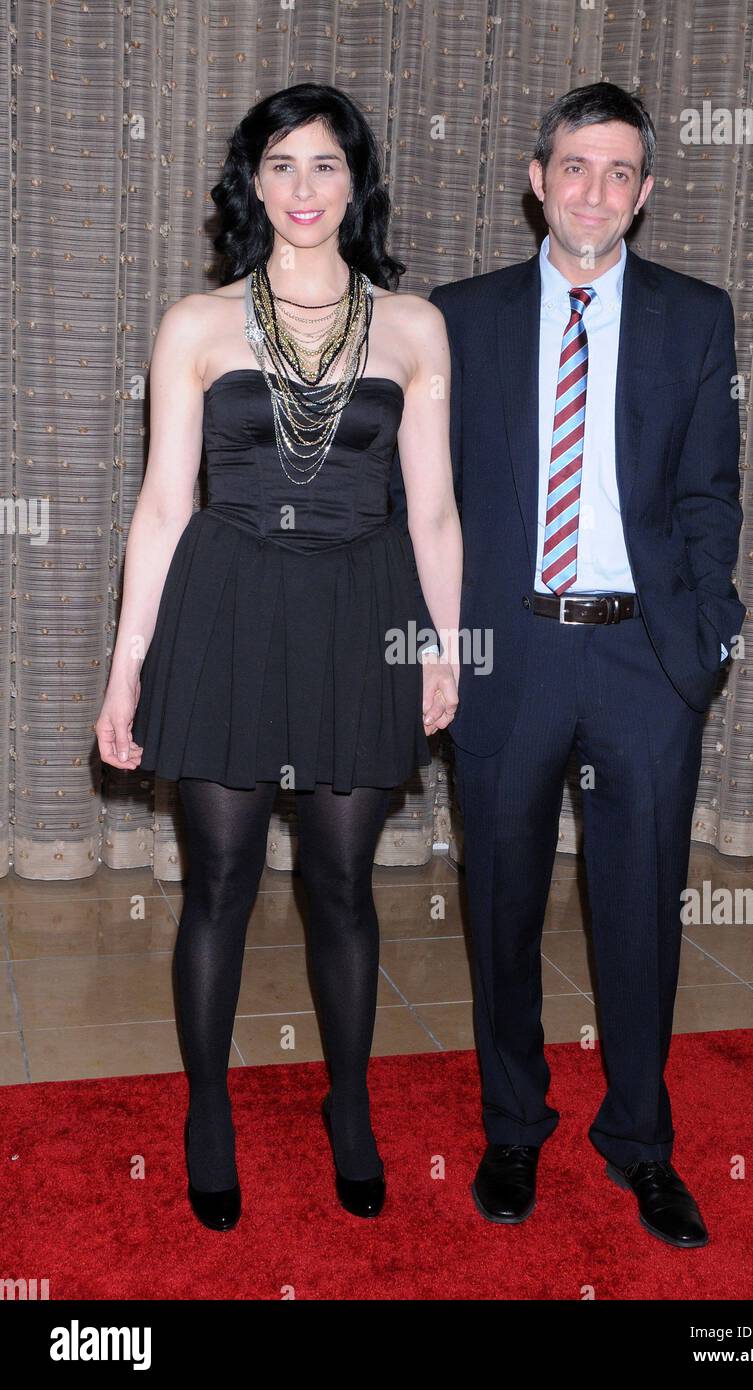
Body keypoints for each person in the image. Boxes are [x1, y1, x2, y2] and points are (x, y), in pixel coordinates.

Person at [94, 82, 462, 1231]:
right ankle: (210, 1111)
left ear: (357, 183)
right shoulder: (196, 324)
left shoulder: (412, 326)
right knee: (220, 886)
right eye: (282, 165)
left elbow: (436, 512)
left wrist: (446, 652)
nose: (304, 189)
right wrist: (126, 667)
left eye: (326, 165)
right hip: (227, 608)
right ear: (251, 182)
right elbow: (159, 510)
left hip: (364, 609)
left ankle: (347, 1104)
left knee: (346, 890)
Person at [404, 82, 747, 1247]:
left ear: (643, 193)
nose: (592, 190)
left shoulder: (696, 319)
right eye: (572, 166)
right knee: (499, 900)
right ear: (534, 179)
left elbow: (708, 497)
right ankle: (512, 1126)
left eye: (616, 172)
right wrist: (433, 644)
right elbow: (425, 503)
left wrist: (703, 637)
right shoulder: (461, 317)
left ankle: (639, 1144)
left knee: (639, 912)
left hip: (644, 663)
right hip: (509, 654)